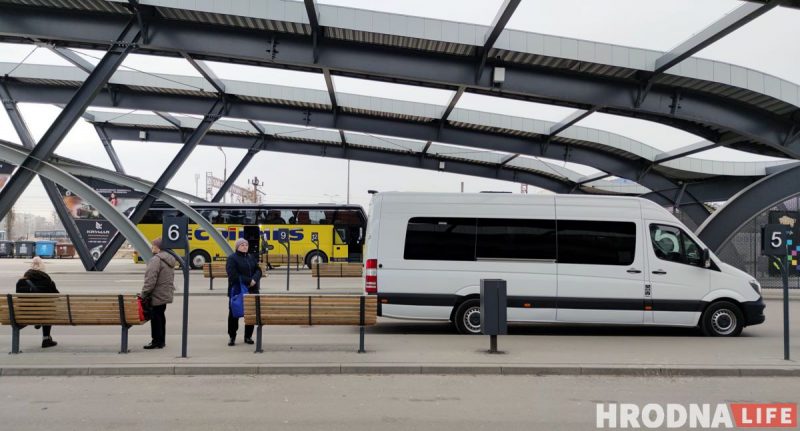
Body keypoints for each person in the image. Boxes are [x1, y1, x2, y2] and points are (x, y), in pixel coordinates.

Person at [15, 257, 59, 348]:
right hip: (43, 313)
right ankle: (46, 339)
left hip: (25, 314)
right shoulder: (48, 280)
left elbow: (19, 297)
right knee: (48, 308)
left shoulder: (20, 282)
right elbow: (57, 296)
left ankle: (37, 319)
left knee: (43, 308)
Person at [140, 237, 176, 349]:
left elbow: (150, 279)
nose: (152, 247)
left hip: (156, 294)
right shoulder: (169, 259)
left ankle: (156, 341)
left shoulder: (156, 260)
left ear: (158, 247)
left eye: (153, 245)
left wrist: (144, 293)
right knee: (160, 316)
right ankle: (161, 341)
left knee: (155, 317)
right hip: (165, 293)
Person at [226, 238, 262, 346]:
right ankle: (232, 336)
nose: (245, 246)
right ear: (237, 247)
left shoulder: (251, 257)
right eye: (242, 245)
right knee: (234, 314)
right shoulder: (232, 258)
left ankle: (248, 336)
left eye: (246, 244)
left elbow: (258, 270)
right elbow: (233, 275)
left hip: (252, 290)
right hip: (237, 290)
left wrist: (254, 279)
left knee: (250, 313)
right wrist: (249, 281)